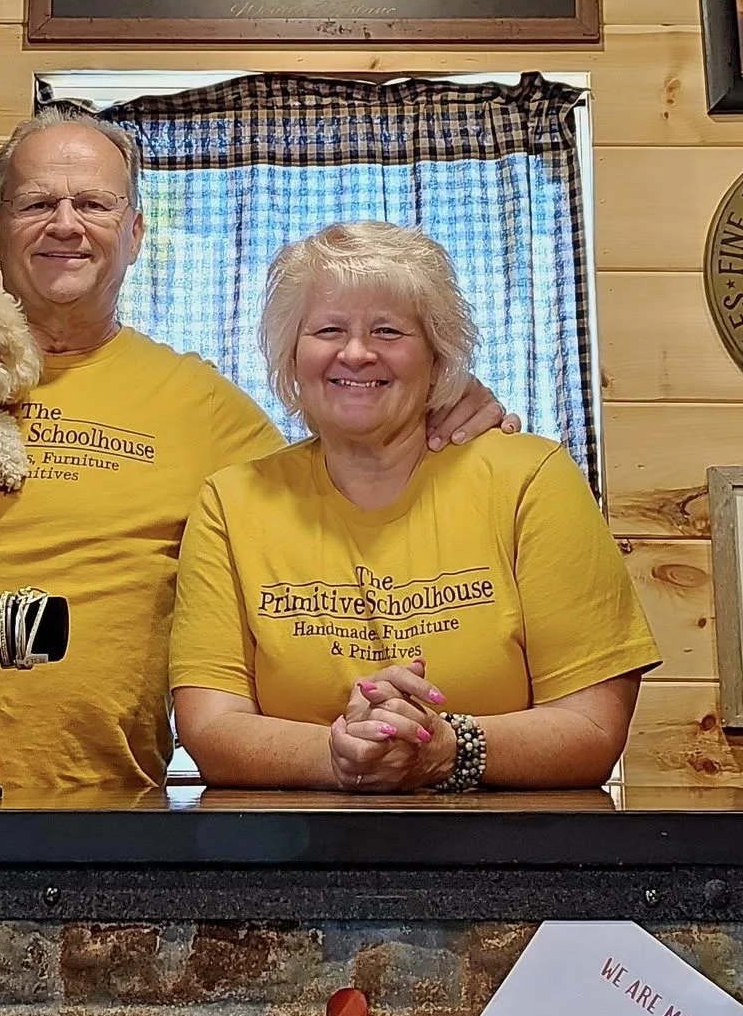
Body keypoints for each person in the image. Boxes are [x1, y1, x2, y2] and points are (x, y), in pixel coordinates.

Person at [0, 110, 511, 795]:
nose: (66, 224)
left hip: (103, 823)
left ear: (136, 231)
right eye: (36, 202)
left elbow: (345, 493)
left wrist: (436, 413)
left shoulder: (205, 407)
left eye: (94, 203)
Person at [170, 222, 660, 793]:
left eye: (388, 330)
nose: (356, 352)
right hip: (289, 861)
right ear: (291, 355)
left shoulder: (531, 479)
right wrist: (342, 755)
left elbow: (593, 728)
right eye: (328, 329)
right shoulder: (230, 502)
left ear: (438, 354)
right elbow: (210, 728)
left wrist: (447, 747)